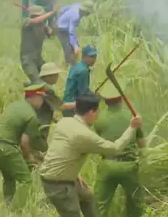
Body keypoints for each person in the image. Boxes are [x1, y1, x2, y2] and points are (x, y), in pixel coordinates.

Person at [38, 91, 143, 217]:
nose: (97, 115)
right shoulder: (84, 135)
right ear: (91, 112)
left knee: (87, 197)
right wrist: (132, 127)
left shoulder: (64, 122)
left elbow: (64, 151)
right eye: (97, 112)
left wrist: (75, 173)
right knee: (72, 213)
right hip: (58, 185)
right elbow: (116, 148)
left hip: (62, 176)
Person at [0, 82, 49, 210]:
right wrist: (30, 157)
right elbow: (24, 143)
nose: (42, 102)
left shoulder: (15, 105)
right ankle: (17, 210)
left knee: (9, 177)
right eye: (41, 98)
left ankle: (8, 205)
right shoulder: (31, 116)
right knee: (25, 180)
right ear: (34, 97)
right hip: (6, 148)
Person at [93, 81, 146, 217]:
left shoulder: (99, 118)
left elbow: (98, 143)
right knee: (136, 203)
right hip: (129, 165)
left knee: (99, 205)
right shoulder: (133, 118)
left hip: (107, 165)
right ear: (121, 98)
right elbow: (142, 144)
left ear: (104, 100)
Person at [20, 5, 57, 84]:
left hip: (38, 58)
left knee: (50, 76)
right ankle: (31, 86)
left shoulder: (43, 26)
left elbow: (52, 33)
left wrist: (56, 19)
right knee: (38, 82)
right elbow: (35, 21)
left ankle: (28, 85)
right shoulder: (26, 22)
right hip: (28, 59)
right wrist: (50, 13)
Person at [60, 45, 98, 118]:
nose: (94, 59)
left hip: (66, 102)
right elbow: (83, 93)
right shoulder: (83, 71)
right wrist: (94, 96)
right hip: (73, 107)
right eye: (91, 57)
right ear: (84, 56)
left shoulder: (77, 66)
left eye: (95, 57)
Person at [56, 1, 95, 66]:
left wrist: (59, 18)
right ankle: (70, 67)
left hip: (65, 28)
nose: (88, 14)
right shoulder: (76, 16)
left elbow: (63, 9)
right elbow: (71, 32)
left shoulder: (77, 5)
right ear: (85, 11)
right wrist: (75, 46)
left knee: (76, 49)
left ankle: (74, 63)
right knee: (69, 50)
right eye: (88, 12)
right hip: (62, 30)